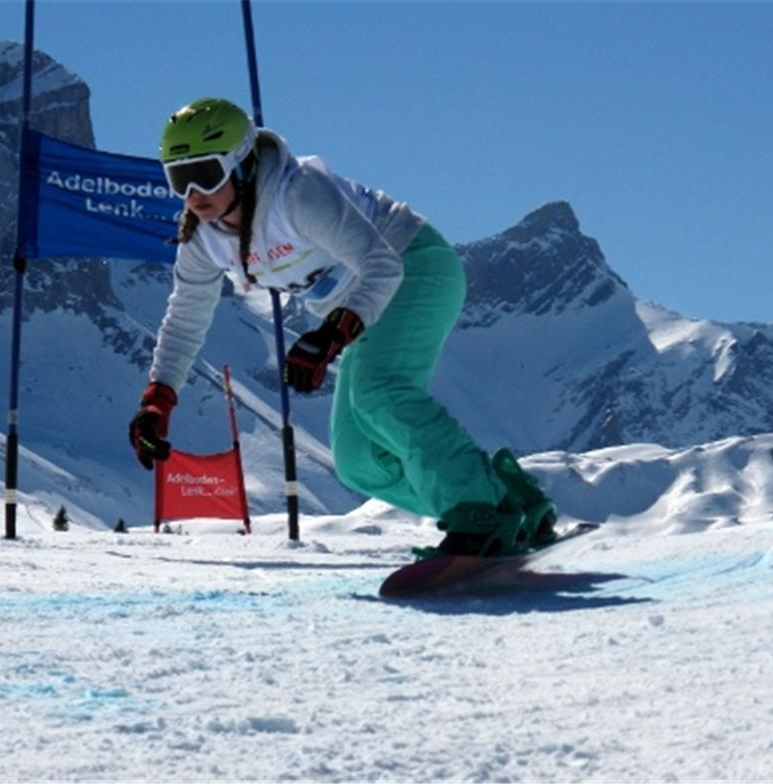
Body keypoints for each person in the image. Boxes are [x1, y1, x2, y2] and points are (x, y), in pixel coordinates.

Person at [129, 97, 555, 557]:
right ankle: (506, 500)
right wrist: (159, 398)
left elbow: (382, 266)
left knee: (379, 390)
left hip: (414, 267)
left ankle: (478, 511)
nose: (193, 193)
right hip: (357, 309)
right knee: (359, 464)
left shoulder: (297, 194)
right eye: (178, 178)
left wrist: (332, 335)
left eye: (206, 174)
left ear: (243, 163)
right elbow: (186, 315)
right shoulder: (201, 239)